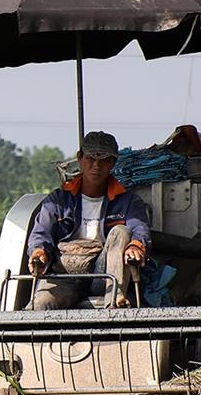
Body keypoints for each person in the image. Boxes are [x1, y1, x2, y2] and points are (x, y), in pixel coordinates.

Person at [26, 130, 151, 309]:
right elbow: (41, 233)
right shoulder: (58, 201)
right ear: (80, 159)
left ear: (112, 164)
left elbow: (140, 231)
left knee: (121, 232)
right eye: (90, 159)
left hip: (103, 276)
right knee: (40, 305)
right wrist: (39, 252)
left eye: (103, 161)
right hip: (64, 276)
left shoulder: (129, 202)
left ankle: (114, 301)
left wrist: (136, 246)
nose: (96, 166)